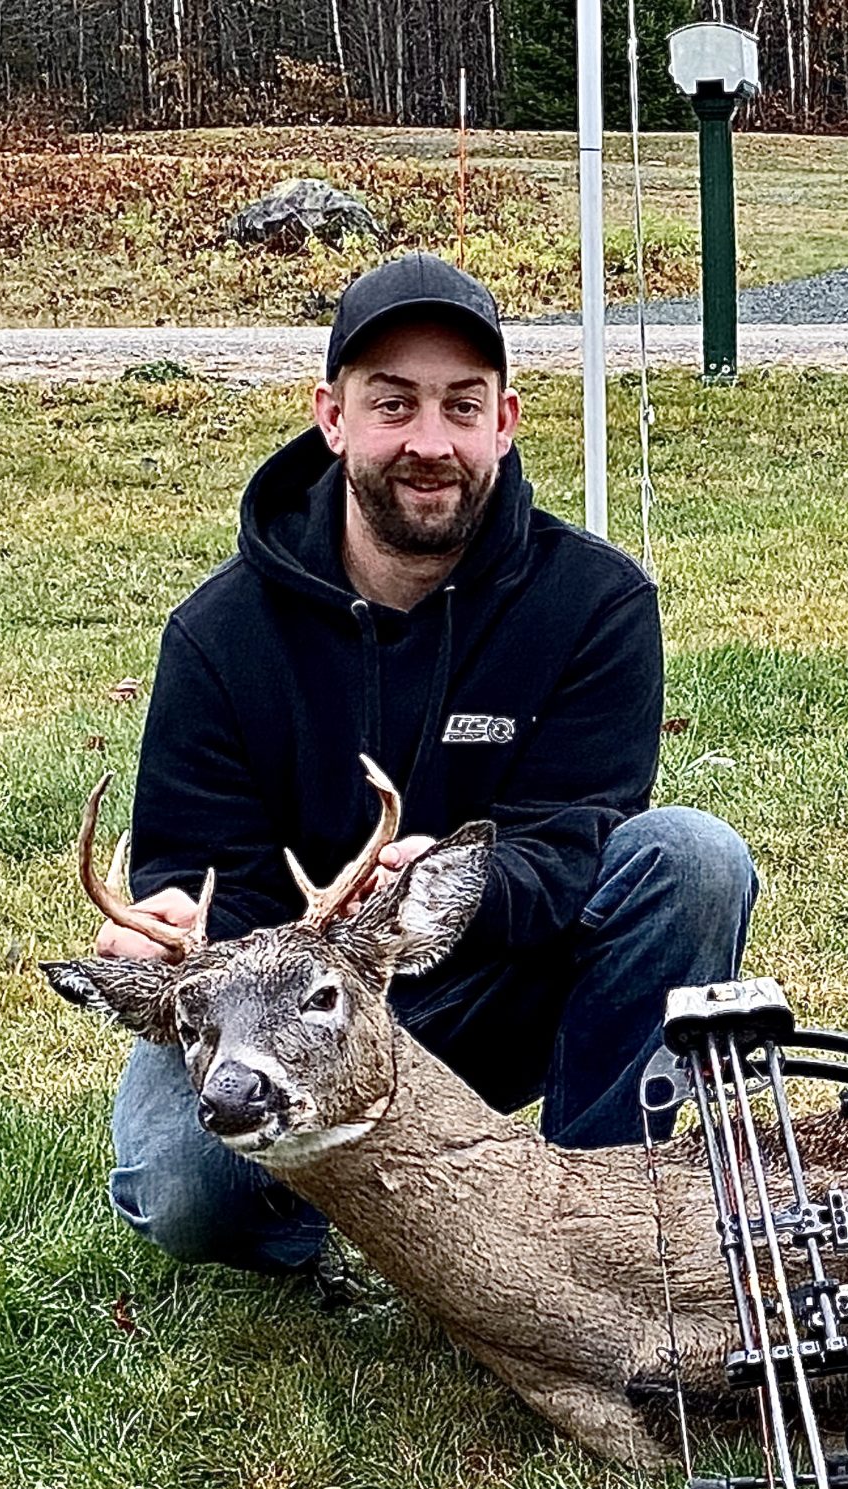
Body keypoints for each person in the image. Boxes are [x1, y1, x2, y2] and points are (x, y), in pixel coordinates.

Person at [95, 254, 756, 1276]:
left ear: (504, 420)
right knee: (185, 1192)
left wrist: (454, 885)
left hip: (493, 984)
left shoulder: (594, 602)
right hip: (285, 1019)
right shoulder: (219, 635)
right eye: (393, 406)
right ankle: (359, 1225)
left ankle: (590, 1221)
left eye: (460, 406)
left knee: (689, 856)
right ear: (332, 416)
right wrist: (174, 931)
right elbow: (194, 862)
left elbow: (581, 837)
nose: (429, 443)